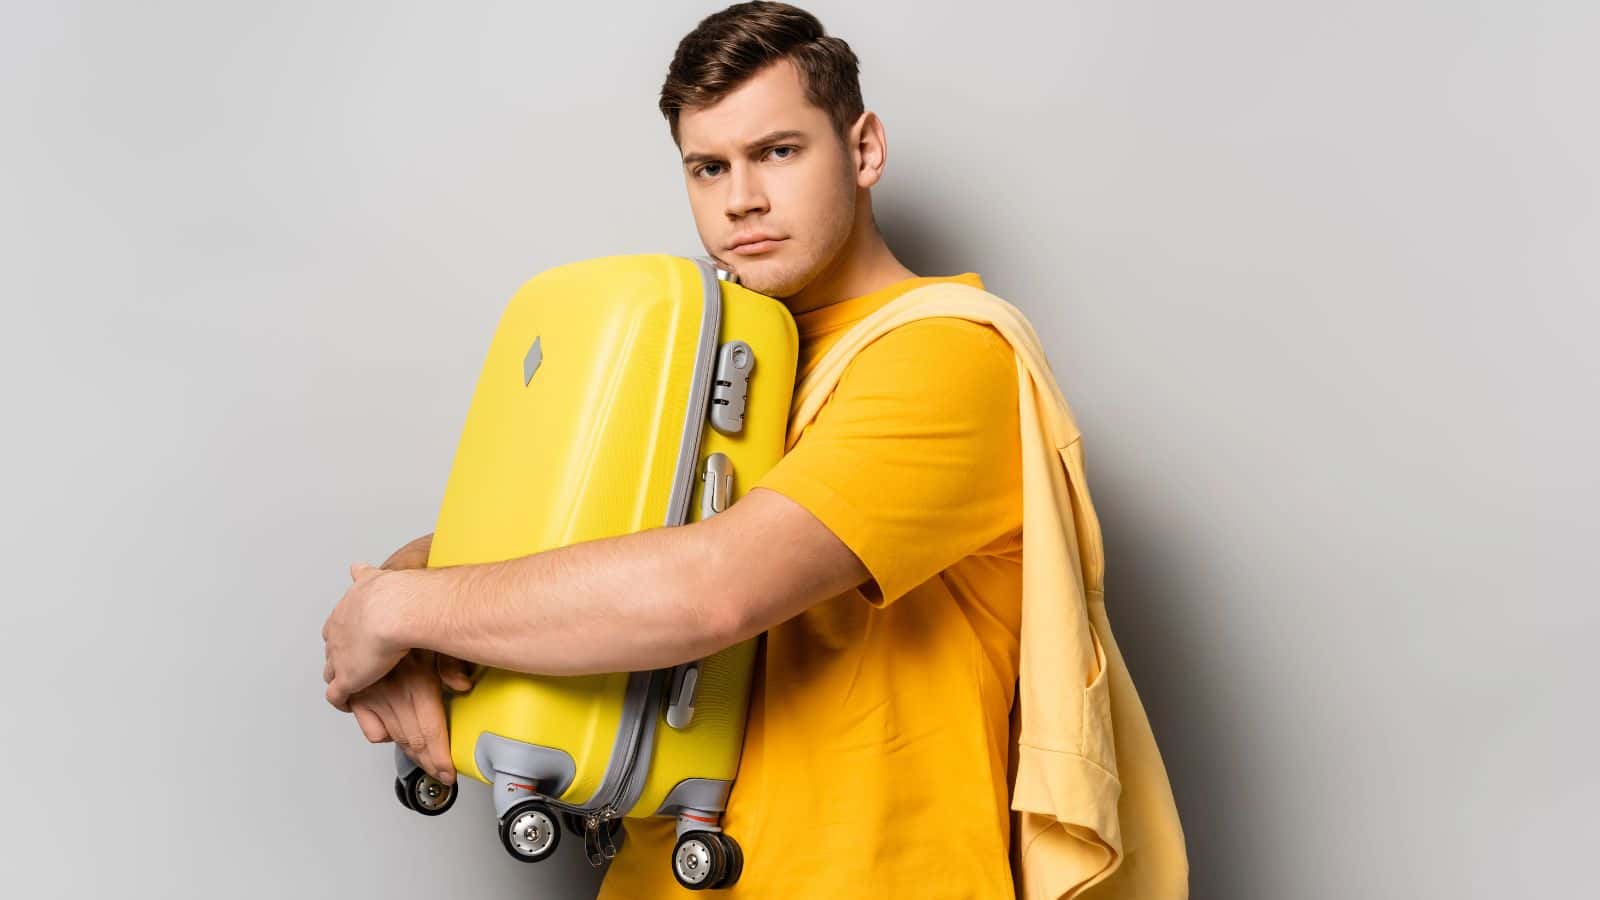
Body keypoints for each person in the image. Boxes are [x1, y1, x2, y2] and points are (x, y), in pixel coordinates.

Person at [324, 3, 1036, 895]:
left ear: (864, 150)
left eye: (778, 152)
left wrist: (399, 615)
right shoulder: (723, 350)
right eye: (708, 166)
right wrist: (405, 590)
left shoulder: (946, 353)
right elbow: (570, 538)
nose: (740, 198)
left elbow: (709, 588)